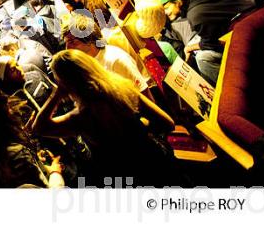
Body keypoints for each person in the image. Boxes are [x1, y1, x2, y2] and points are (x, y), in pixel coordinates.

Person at [32, 50, 180, 186]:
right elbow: (167, 123)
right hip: (156, 163)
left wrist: (57, 95)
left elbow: (39, 127)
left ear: (66, 83)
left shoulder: (82, 117)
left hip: (127, 179)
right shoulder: (124, 90)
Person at [0, 86, 65, 188]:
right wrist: (55, 172)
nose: (11, 110)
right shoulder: (16, 154)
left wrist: (38, 164)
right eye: (7, 107)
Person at [155, 0, 248, 84]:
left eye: (166, 8)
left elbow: (212, 44)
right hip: (251, 16)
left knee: (202, 58)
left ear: (177, 1)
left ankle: (229, 86)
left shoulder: (194, 15)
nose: (166, 13)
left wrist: (189, 48)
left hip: (241, 36)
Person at [61, 13, 148, 92]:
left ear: (88, 38)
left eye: (71, 41)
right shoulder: (86, 65)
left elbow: (144, 94)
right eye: (66, 43)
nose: (67, 48)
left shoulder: (115, 60)